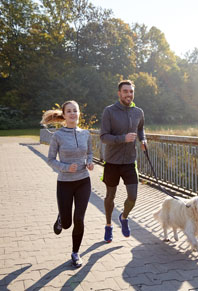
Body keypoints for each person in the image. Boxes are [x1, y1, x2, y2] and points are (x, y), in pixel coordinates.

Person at [40, 100, 94, 268]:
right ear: (64, 115)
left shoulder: (85, 134)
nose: (72, 113)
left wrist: (90, 162)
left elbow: (91, 153)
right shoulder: (58, 136)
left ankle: (75, 253)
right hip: (65, 183)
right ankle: (61, 219)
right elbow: (50, 159)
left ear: (79, 114)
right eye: (69, 111)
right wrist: (65, 167)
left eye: (75, 111)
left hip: (83, 182)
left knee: (79, 219)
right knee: (67, 223)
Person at [100, 80, 147, 243]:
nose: (129, 94)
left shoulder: (138, 112)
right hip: (112, 162)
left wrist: (143, 140)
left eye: (131, 91)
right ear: (119, 93)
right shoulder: (109, 111)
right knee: (110, 197)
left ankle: (124, 217)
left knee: (132, 197)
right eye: (125, 91)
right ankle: (108, 225)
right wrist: (123, 138)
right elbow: (104, 137)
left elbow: (140, 128)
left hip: (129, 162)